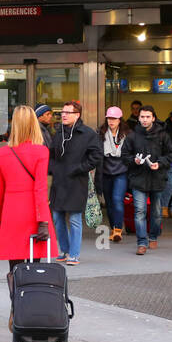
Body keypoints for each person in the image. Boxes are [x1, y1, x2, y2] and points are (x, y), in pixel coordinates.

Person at [0, 105, 58, 295]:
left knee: (14, 266)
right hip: (32, 212)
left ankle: (16, 307)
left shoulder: (3, 153)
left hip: (11, 213)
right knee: (33, 266)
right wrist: (43, 220)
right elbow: (40, 189)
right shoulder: (41, 152)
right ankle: (31, 305)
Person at [47, 99, 102, 266]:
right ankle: (64, 250)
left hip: (77, 181)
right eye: (62, 113)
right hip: (59, 181)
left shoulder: (88, 133)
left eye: (67, 113)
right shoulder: (58, 132)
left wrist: (79, 168)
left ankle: (74, 254)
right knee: (57, 217)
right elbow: (51, 154)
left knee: (75, 219)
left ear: (77, 115)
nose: (63, 115)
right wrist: (53, 168)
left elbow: (96, 156)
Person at [123, 105, 171, 255]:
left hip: (157, 178)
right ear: (138, 118)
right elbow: (124, 155)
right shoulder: (132, 135)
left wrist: (160, 163)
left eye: (147, 117)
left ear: (153, 118)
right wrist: (134, 161)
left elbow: (171, 154)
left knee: (156, 213)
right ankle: (142, 243)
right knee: (139, 211)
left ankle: (153, 236)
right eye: (142, 117)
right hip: (138, 178)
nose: (144, 119)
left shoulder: (163, 135)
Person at [97, 106, 130, 243]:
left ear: (119, 120)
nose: (111, 121)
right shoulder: (100, 133)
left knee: (117, 200)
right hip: (105, 172)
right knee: (109, 203)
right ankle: (113, 228)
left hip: (121, 171)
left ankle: (118, 230)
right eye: (109, 118)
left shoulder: (127, 134)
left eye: (114, 118)